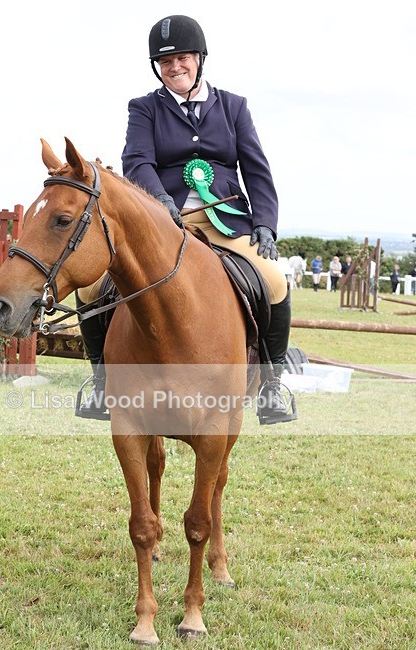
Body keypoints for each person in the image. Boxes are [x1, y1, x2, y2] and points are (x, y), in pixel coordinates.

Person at [78, 14, 296, 424]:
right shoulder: (144, 108)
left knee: (275, 280)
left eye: (181, 58)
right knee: (91, 287)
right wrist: (161, 202)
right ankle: (102, 384)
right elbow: (137, 160)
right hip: (166, 224)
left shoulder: (233, 107)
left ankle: (271, 386)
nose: (174, 67)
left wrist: (265, 222)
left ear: (199, 58)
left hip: (227, 223)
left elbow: (256, 169)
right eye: (165, 62)